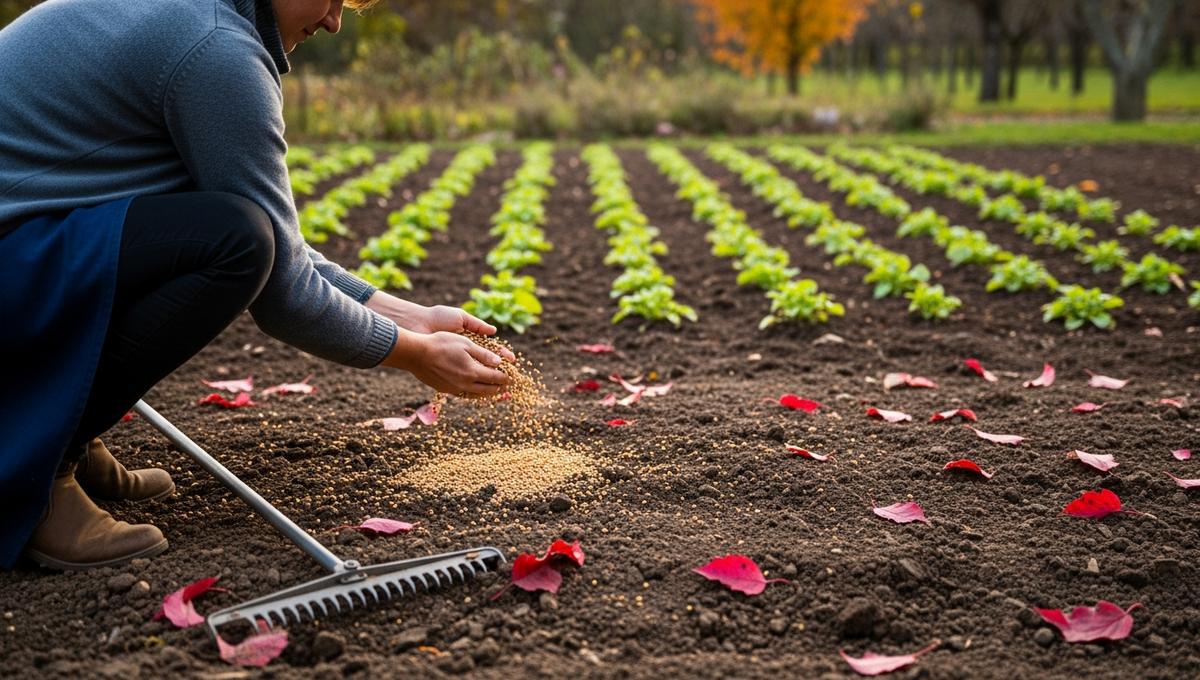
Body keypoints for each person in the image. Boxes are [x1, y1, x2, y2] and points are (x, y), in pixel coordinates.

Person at [0, 0, 511, 571]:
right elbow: (281, 291)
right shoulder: (217, 48)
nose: (334, 21)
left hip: (25, 242)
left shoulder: (193, 16)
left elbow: (283, 249)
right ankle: (33, 473)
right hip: (13, 255)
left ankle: (66, 429)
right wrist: (415, 354)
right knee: (233, 242)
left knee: (223, 233)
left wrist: (411, 318)